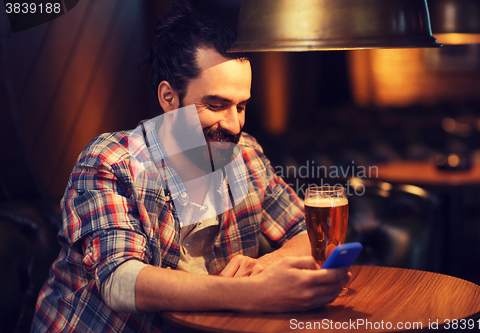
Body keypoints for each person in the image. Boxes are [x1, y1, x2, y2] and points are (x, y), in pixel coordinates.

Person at [31, 1, 350, 332]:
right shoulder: (112, 160)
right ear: (169, 98)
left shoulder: (245, 156)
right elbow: (119, 280)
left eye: (241, 106)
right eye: (215, 104)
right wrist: (249, 293)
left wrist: (265, 267)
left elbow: (308, 234)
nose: (233, 124)